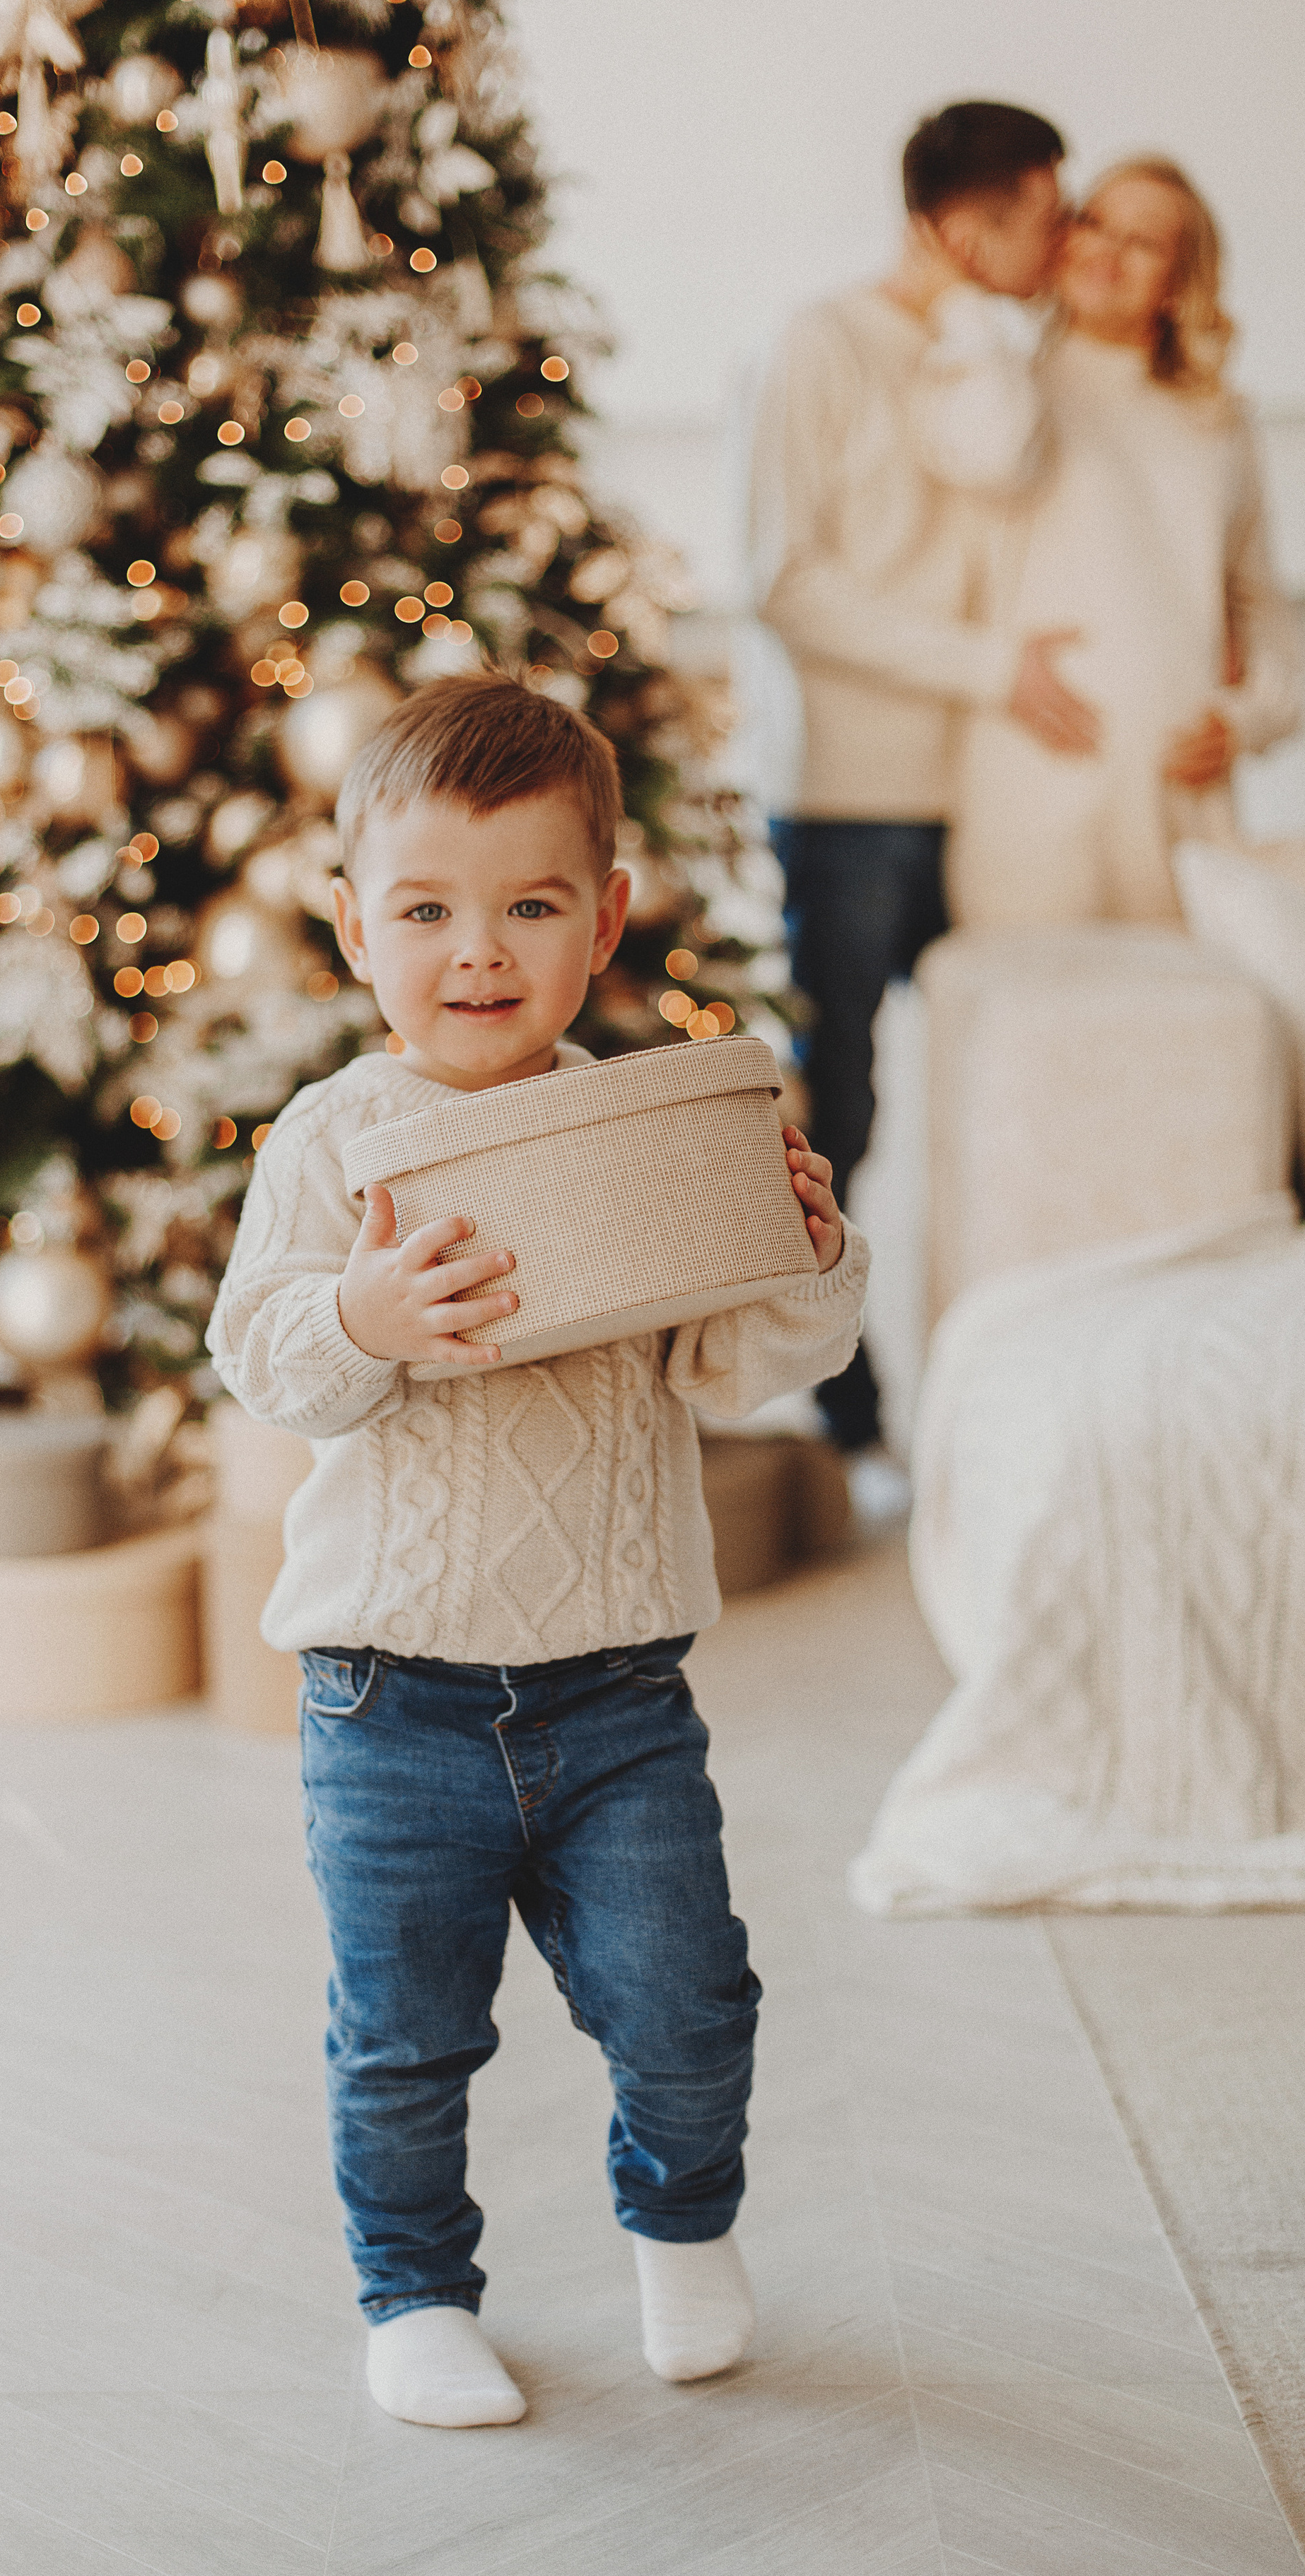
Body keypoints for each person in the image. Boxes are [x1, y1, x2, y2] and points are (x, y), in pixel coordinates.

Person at [206, 676, 867, 2429]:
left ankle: (682, 2228)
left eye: (526, 904)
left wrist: (799, 1258)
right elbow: (264, 1358)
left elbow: (739, 1361)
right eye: (423, 909)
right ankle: (413, 2292)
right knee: (405, 2038)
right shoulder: (329, 1142)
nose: (474, 950)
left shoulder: (638, 1132)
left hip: (615, 1690)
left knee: (687, 1999)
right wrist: (356, 1310)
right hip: (386, 1699)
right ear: (352, 925)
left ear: (604, 920)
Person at [751, 100, 1092, 1452]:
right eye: (1043, 216)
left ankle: (997, 1379)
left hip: (1003, 788)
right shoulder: (820, 347)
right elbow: (784, 583)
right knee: (843, 1113)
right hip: (856, 795)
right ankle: (847, 1403)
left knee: (1009, 1092)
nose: (1063, 242)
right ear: (964, 226)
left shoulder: (1009, 358)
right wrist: (986, 667)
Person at [944, 158, 1301, 925]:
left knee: (1194, 1030)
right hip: (1035, 789)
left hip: (1180, 798)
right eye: (1094, 223)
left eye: (1143, 242)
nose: (1105, 250)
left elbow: (1258, 601)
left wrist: (1248, 719)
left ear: (1178, 282)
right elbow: (982, 469)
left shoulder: (1220, 423)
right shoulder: (1003, 386)